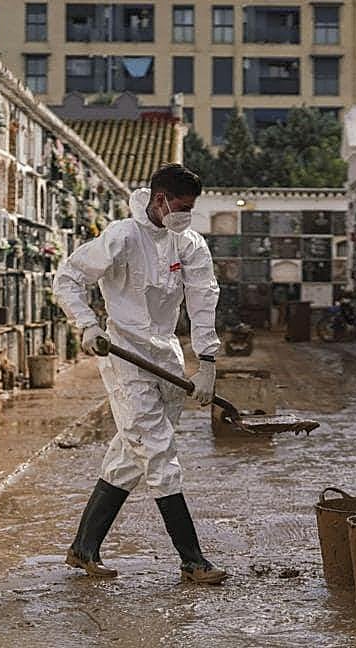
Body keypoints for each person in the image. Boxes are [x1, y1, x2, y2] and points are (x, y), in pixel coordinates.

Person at [53, 163, 226, 584]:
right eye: (181, 207)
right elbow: (68, 278)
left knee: (133, 453)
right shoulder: (123, 236)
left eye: (191, 209)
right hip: (125, 357)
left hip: (165, 357)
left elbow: (203, 298)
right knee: (159, 451)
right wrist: (88, 325)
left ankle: (83, 548)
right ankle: (192, 559)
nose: (186, 215)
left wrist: (207, 360)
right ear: (159, 199)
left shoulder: (189, 243)